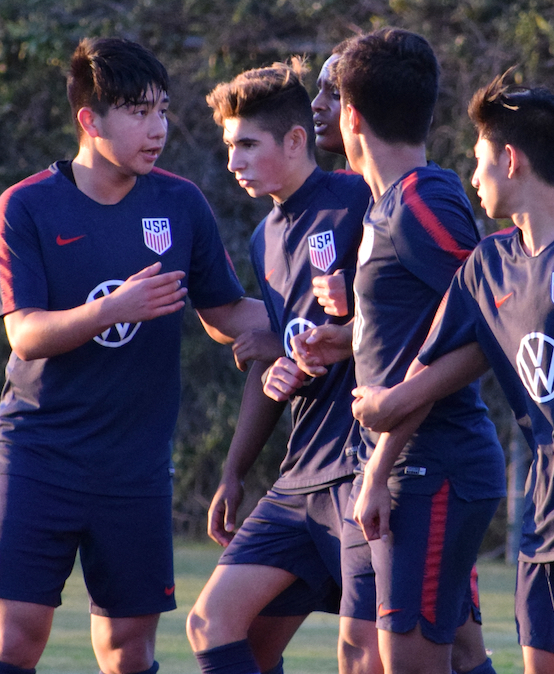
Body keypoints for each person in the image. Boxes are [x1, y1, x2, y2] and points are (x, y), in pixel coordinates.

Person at [0, 37, 268, 674]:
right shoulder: (25, 206)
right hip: (39, 458)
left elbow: (224, 313)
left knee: (127, 650)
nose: (158, 128)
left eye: (162, 110)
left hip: (134, 468)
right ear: (90, 119)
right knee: (15, 642)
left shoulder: (179, 203)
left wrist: (320, 322)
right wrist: (109, 310)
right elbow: (23, 333)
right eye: (139, 112)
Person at [349, 75, 554, 674]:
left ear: (510, 160)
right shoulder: (488, 265)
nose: (474, 176)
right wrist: (379, 468)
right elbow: (431, 368)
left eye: (479, 160)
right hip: (539, 515)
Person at [293, 28, 505, 674]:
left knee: (407, 661)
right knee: (457, 655)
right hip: (409, 466)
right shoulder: (388, 205)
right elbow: (426, 327)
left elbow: (491, 322)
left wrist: (384, 454)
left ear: (352, 115)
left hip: (433, 466)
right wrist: (348, 338)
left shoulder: (422, 200)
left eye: (334, 98)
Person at [186, 60, 373, 674]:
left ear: (295, 141)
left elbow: (422, 308)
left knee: (400, 655)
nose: (233, 161)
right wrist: (235, 471)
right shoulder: (264, 238)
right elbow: (282, 359)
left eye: (246, 144)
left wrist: (354, 314)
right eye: (228, 146)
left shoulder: (359, 199)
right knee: (215, 626)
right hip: (300, 477)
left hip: (365, 469)